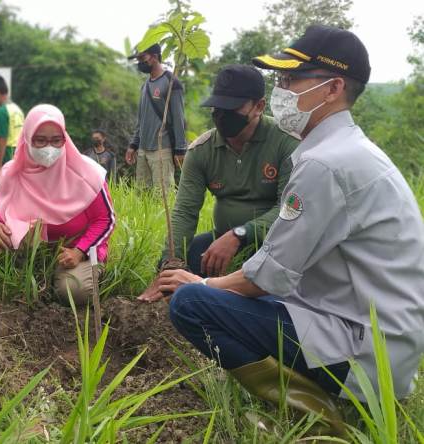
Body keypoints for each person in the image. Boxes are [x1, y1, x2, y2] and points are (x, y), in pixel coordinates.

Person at [156, 25, 424, 432]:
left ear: (333, 88)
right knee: (216, 292)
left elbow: (269, 276)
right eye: (280, 80)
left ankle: (320, 413)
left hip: (362, 347)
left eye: (291, 79)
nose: (282, 90)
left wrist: (202, 284)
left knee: (190, 303)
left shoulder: (325, 163)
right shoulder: (345, 151)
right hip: (367, 328)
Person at [139, 65, 298, 302]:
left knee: (275, 285)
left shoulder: (286, 142)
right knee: (191, 256)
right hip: (221, 238)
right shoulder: (202, 150)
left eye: (232, 108)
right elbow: (185, 211)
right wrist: (170, 267)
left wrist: (240, 234)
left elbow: (290, 209)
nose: (222, 115)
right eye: (217, 107)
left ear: (259, 107)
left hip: (274, 245)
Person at [0, 104, 116, 306]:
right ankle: (31, 274)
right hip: (32, 249)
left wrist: (79, 251)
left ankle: (85, 274)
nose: (49, 148)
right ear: (27, 138)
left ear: (65, 139)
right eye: (40, 141)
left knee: (75, 292)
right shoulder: (12, 173)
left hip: (76, 248)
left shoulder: (87, 173)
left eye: (56, 141)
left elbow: (105, 219)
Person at [125, 43, 187, 190]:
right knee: (142, 196)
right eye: (138, 59)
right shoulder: (145, 86)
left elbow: (179, 119)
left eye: (142, 58)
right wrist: (133, 145)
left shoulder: (171, 82)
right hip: (143, 150)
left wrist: (180, 149)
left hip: (162, 149)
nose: (139, 62)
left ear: (154, 57)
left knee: (163, 196)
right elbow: (141, 120)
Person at [0, 74, 24, 172]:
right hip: (19, 152)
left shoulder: (1, 112)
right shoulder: (17, 109)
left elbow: (2, 139)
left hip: (7, 154)